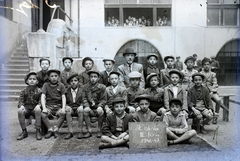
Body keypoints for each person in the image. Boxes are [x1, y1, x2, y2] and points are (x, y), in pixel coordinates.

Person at [41, 69, 66, 139]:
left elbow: (63, 97)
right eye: (52, 76)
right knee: (43, 114)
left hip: (58, 106)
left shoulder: (61, 85)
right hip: (49, 106)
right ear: (49, 77)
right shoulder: (45, 85)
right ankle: (50, 129)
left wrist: (63, 108)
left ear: (58, 77)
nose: (54, 78)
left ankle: (56, 129)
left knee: (63, 113)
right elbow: (43, 96)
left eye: (56, 76)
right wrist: (44, 108)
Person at [17, 72, 42, 140]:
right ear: (27, 81)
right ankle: (24, 131)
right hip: (27, 108)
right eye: (30, 79)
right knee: (20, 111)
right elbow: (20, 100)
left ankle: (38, 130)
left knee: (38, 110)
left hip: (35, 109)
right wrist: (21, 106)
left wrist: (39, 105)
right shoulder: (23, 91)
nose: (32, 80)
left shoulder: (39, 91)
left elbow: (41, 100)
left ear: (37, 81)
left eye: (34, 79)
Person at [64, 74, 89, 139]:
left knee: (81, 110)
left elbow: (84, 100)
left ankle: (80, 131)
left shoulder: (81, 90)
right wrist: (66, 106)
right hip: (71, 107)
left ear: (78, 82)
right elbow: (64, 100)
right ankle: (70, 132)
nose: (73, 82)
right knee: (67, 111)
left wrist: (82, 105)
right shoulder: (67, 91)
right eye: (71, 81)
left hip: (78, 107)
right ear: (69, 83)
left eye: (75, 80)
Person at [82, 70, 107, 138]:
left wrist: (100, 106)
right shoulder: (85, 87)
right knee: (85, 111)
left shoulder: (102, 87)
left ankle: (99, 130)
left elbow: (103, 99)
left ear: (98, 78)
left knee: (100, 111)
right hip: (90, 107)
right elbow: (84, 98)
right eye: (91, 77)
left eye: (95, 77)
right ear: (89, 78)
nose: (93, 78)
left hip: (98, 107)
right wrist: (87, 106)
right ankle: (89, 131)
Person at [200, 57, 221, 124]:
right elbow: (200, 84)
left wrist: (212, 91)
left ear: (210, 65)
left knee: (218, 100)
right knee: (203, 101)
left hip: (212, 91)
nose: (206, 66)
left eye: (208, 64)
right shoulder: (200, 74)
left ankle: (215, 116)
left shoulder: (213, 74)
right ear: (203, 66)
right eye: (205, 64)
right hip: (203, 91)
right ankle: (206, 117)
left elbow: (215, 83)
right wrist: (206, 92)